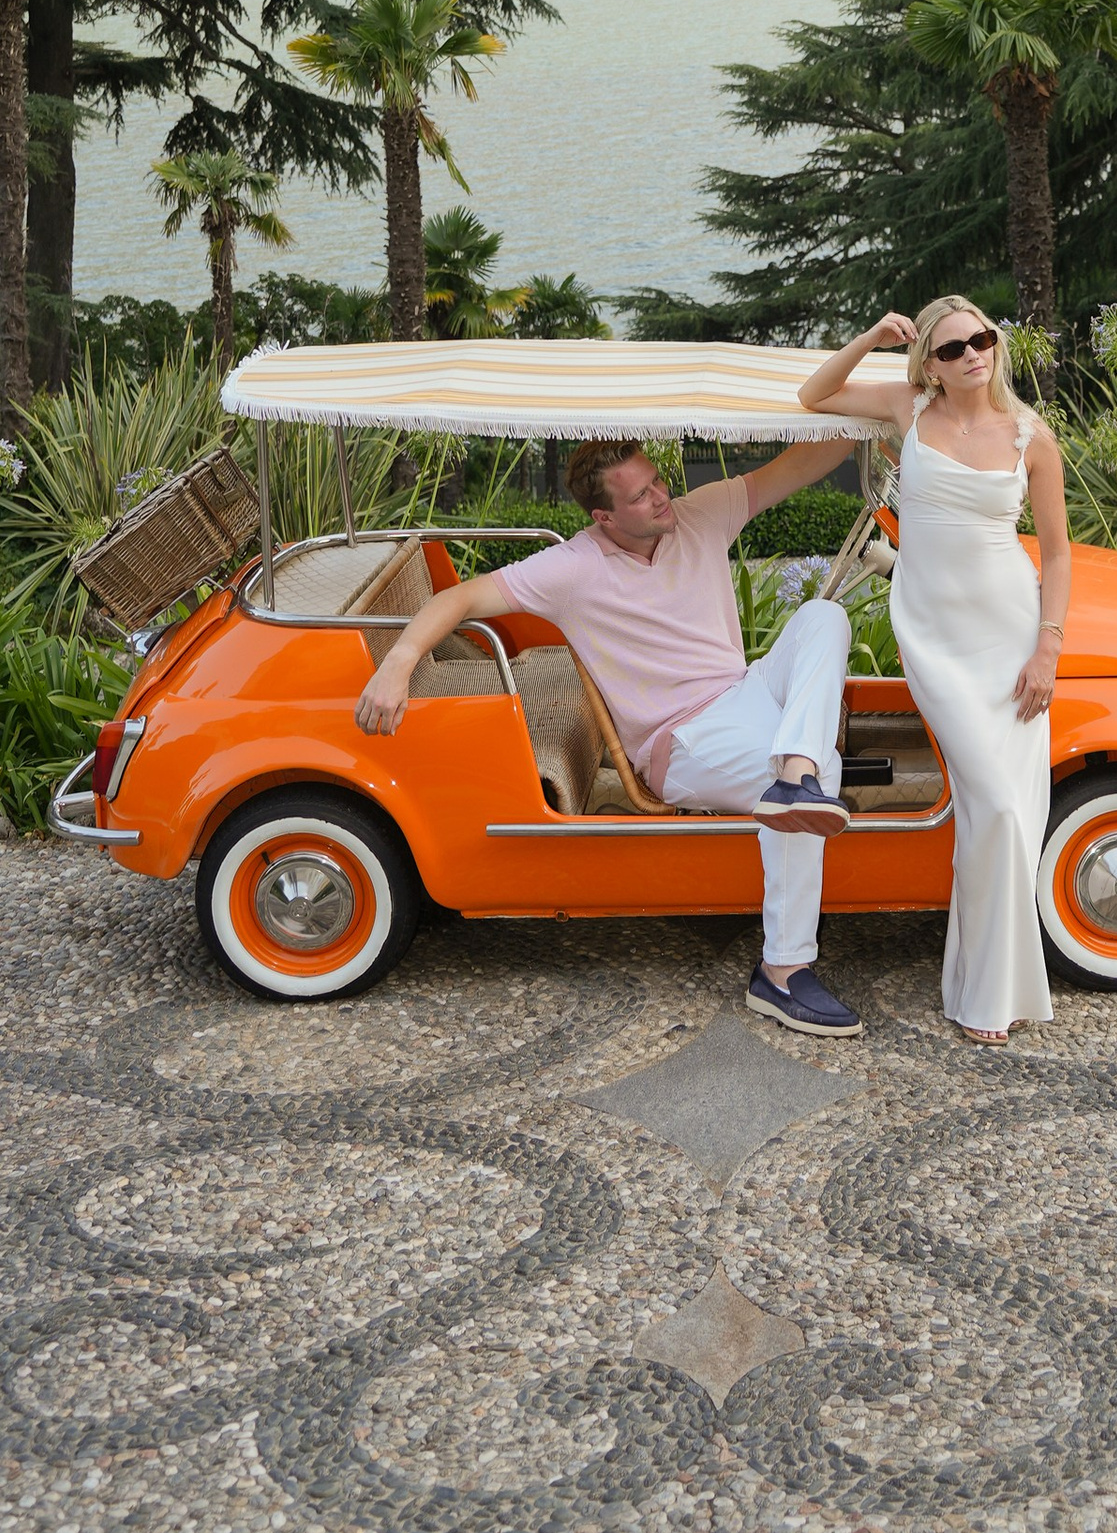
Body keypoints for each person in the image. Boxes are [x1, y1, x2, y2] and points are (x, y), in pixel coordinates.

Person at [356, 435, 867, 1035]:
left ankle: (796, 775)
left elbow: (796, 464)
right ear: (604, 518)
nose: (660, 497)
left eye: (656, 481)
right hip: (681, 739)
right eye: (640, 495)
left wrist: (874, 419)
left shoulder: (698, 514)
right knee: (820, 773)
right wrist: (398, 662)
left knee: (823, 619)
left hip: (747, 689)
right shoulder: (573, 568)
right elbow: (462, 596)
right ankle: (782, 974)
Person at [798, 300, 1070, 1044]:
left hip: (1010, 633)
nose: (972, 355)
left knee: (1007, 816)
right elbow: (814, 395)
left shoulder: (1030, 436)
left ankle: (988, 991)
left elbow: (1058, 551)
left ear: (996, 344)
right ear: (931, 364)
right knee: (994, 803)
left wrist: (1048, 646)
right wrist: (871, 337)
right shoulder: (905, 408)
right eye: (953, 348)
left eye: (982, 339)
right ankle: (985, 987)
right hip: (933, 635)